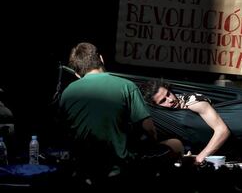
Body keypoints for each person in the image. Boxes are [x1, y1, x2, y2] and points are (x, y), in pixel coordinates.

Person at [58, 42, 183, 181]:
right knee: (175, 144)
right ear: (101, 59)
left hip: (83, 170)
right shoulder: (126, 86)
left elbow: (64, 133)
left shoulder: (67, 93)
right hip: (121, 169)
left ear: (76, 73)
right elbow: (149, 130)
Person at [140, 80, 231, 165]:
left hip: (224, 151)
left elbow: (222, 130)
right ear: (156, 106)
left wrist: (199, 158)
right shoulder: (163, 117)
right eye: (163, 100)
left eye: (168, 94)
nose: (170, 99)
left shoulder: (194, 102)